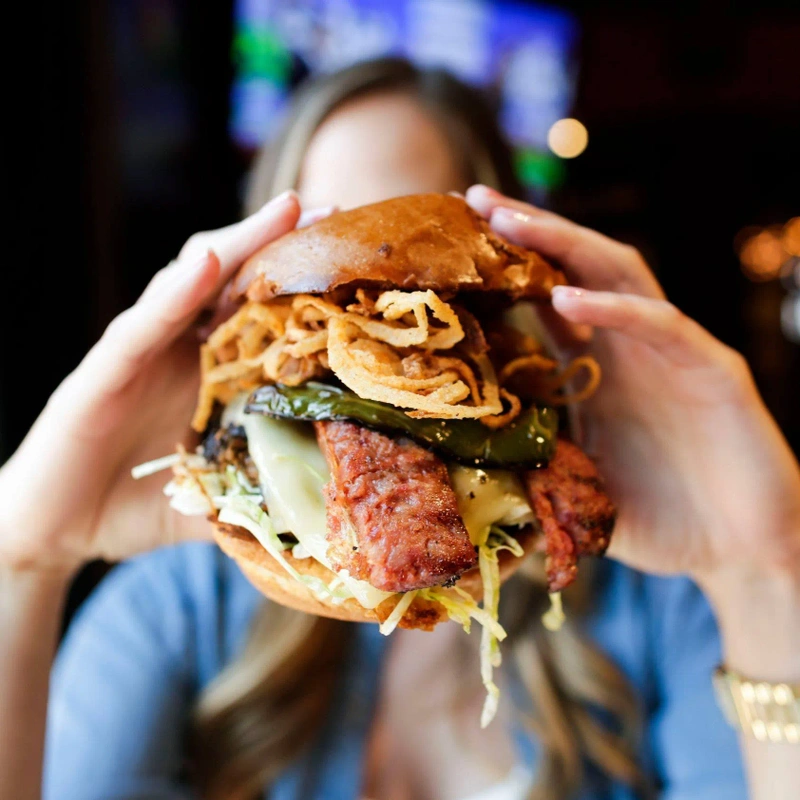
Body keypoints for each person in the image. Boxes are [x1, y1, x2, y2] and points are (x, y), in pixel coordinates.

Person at [1, 58, 799, 800]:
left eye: (405, 236)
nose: (367, 282)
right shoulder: (175, 608)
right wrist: (22, 560)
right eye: (328, 225)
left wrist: (762, 569)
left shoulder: (658, 603)